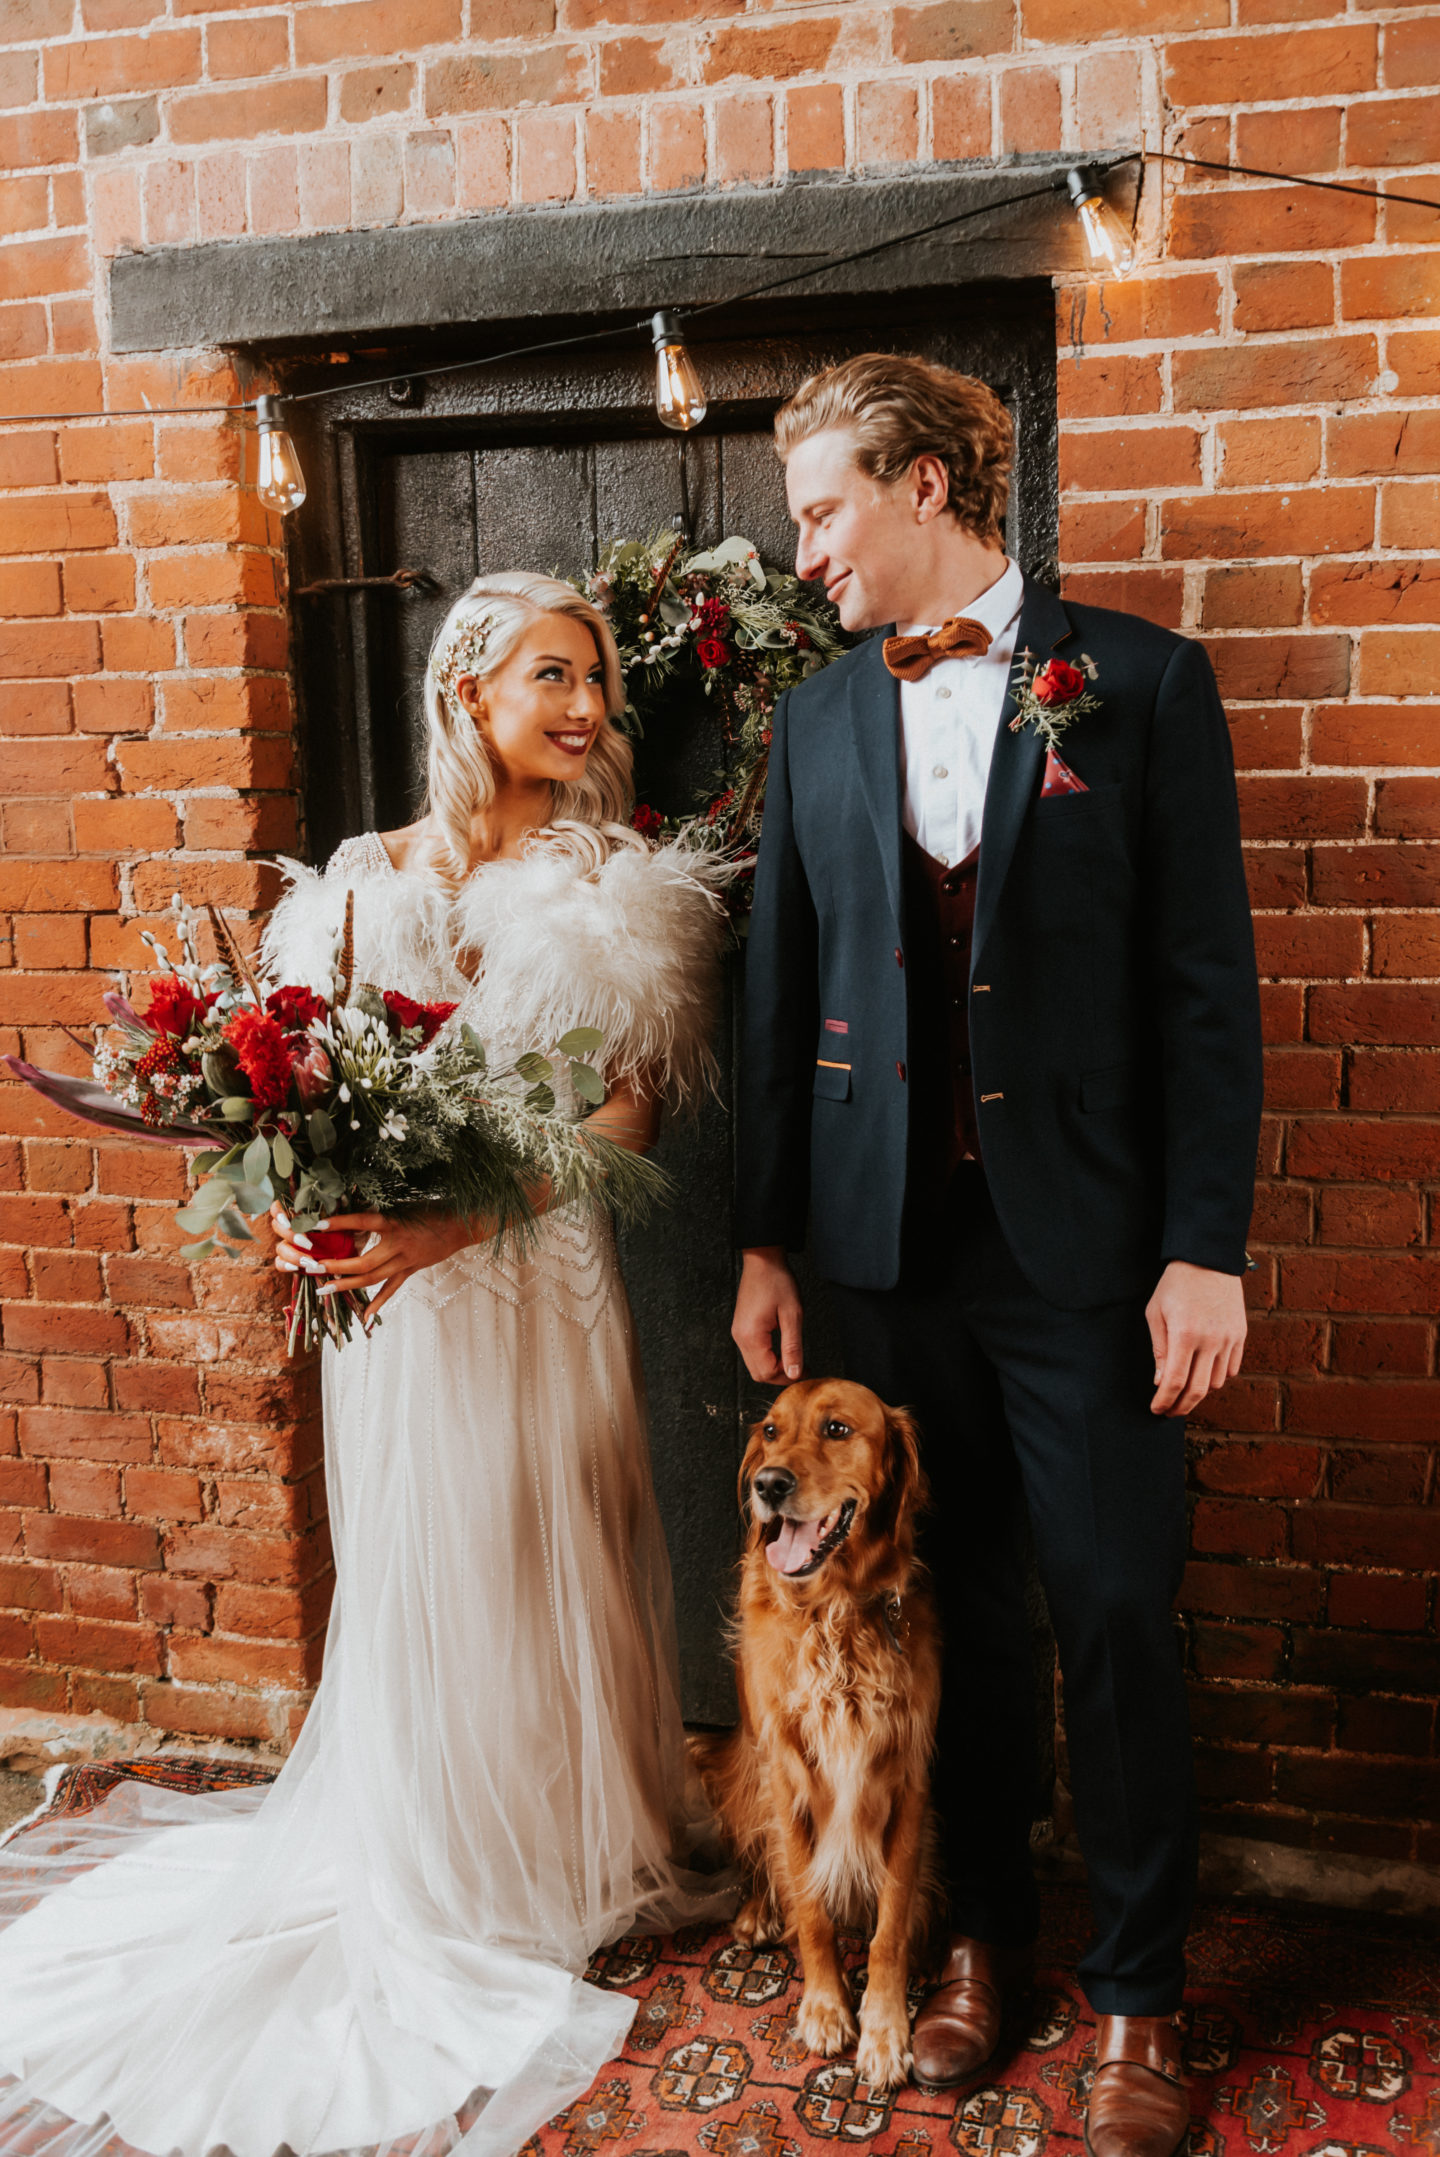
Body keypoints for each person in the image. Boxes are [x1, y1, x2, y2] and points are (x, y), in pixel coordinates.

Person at [0, 572, 734, 2157]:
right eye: (553, 674)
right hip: (392, 1315)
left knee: (556, 1547)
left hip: (534, 1275)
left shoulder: (614, 880)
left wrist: (456, 1226)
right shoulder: (346, 884)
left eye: (597, 680)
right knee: (432, 1557)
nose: (587, 705)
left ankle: (558, 1852)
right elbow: (292, 1103)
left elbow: (630, 1117)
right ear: (465, 689)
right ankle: (435, 1857)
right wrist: (286, 1212)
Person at [732, 356, 1262, 2157]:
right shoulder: (811, 724)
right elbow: (780, 999)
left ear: (929, 487)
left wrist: (1206, 1251)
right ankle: (982, 1946)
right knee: (939, 1608)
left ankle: (1137, 1998)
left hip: (1095, 1259)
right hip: (884, 1266)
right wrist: (766, 1240)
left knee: (1112, 1608)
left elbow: (1207, 995)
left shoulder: (1137, 684)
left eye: (821, 510)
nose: (802, 549)